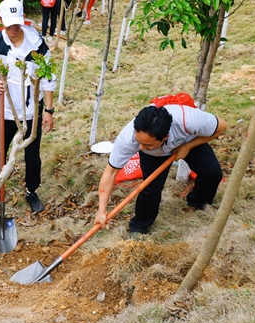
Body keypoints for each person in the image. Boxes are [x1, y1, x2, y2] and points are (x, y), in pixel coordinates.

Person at [95, 101, 227, 236]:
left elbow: (221, 126)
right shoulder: (127, 139)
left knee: (212, 173)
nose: (140, 147)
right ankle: (139, 226)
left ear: (165, 137)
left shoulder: (189, 120)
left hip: (188, 141)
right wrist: (101, 211)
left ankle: (199, 202)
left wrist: (187, 147)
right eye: (139, 141)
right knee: (150, 190)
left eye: (146, 143)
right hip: (153, 155)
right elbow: (110, 172)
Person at [0, 0, 56, 213]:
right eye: (9, 23)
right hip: (4, 108)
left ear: (23, 19)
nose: (14, 28)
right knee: (0, 150)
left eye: (17, 23)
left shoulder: (37, 44)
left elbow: (48, 78)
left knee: (32, 153)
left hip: (31, 108)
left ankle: (32, 190)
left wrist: (48, 110)